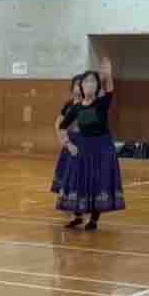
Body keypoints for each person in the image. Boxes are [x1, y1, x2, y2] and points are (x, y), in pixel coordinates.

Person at [57, 57, 124, 231]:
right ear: (81, 86)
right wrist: (68, 144)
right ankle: (78, 216)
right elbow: (62, 127)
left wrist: (108, 75)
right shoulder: (76, 107)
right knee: (77, 181)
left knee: (97, 183)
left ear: (97, 86)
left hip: (102, 149)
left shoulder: (102, 103)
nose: (89, 84)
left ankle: (93, 220)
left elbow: (110, 91)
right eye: (86, 81)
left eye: (93, 81)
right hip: (82, 148)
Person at [50, 74, 84, 195]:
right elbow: (58, 123)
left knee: (79, 170)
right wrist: (62, 139)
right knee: (66, 169)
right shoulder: (69, 105)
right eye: (76, 85)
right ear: (72, 87)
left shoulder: (89, 104)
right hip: (69, 142)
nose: (79, 87)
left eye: (82, 85)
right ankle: (65, 194)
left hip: (83, 143)